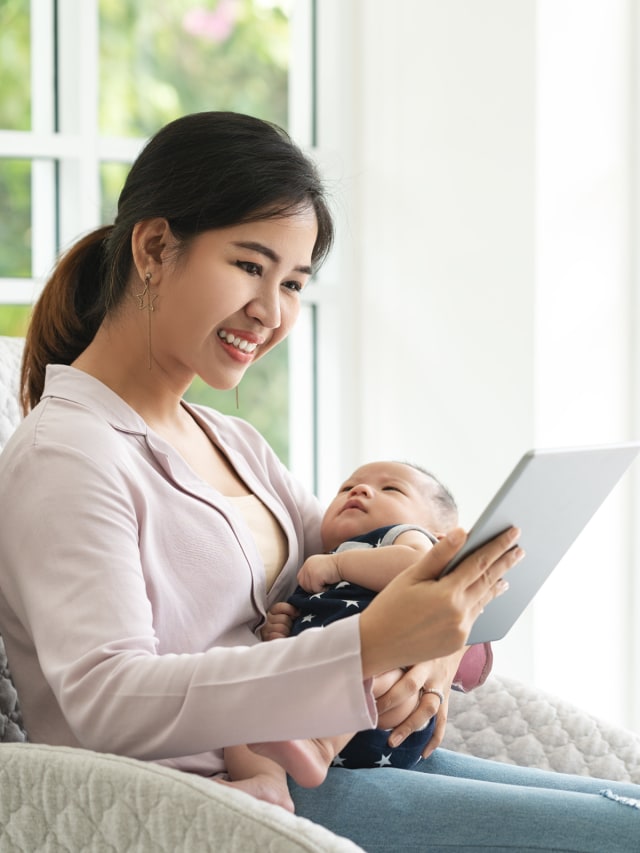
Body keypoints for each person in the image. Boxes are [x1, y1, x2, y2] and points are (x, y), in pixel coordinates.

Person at [0, 111, 637, 852]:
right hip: (217, 804)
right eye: (249, 266)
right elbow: (106, 699)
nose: (271, 312)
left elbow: (352, 567)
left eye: (294, 282)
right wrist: (365, 645)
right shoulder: (68, 454)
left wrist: (431, 651)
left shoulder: (230, 439)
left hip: (334, 765)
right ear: (153, 247)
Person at [224, 459, 493, 800]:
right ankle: (267, 783)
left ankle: (321, 744)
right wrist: (278, 630)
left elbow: (424, 570)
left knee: (372, 667)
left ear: (441, 540)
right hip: (305, 718)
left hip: (389, 710)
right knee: (239, 712)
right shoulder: (324, 563)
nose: (360, 490)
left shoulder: (398, 539)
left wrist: (338, 564)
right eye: (346, 488)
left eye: (391, 489)